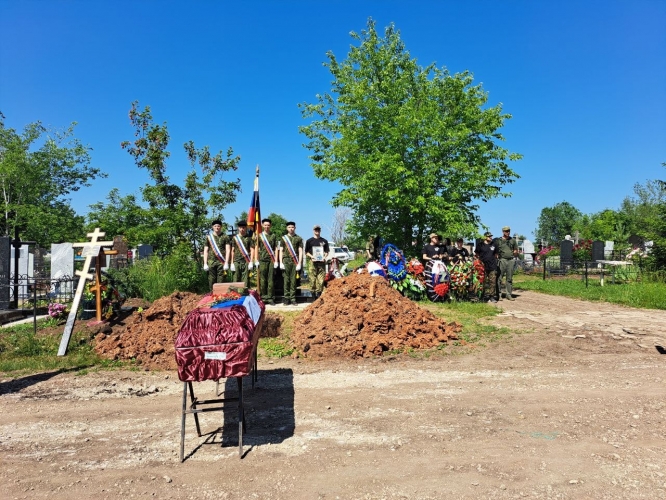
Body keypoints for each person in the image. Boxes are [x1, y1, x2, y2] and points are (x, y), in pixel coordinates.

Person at [254, 218, 278, 305]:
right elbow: (256, 247)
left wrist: (276, 260)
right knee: (263, 279)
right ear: (262, 225)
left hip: (271, 260)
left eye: (268, 225)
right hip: (262, 260)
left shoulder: (273, 236)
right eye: (265, 225)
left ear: (270, 226)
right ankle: (263, 297)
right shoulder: (259, 236)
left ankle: (270, 298)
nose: (267, 227)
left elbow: (276, 248)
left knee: (270, 279)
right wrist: (256, 259)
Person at [279, 221, 303, 305]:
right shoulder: (283, 238)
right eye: (289, 227)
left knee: (293, 281)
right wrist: (280, 262)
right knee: (286, 280)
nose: (291, 229)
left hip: (294, 262)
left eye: (292, 227)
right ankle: (286, 298)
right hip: (286, 261)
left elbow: (300, 251)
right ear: (287, 228)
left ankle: (293, 298)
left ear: (295, 228)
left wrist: (299, 263)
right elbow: (281, 250)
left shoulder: (298, 238)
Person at [202, 219, 229, 291]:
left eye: (218, 226)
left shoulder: (225, 237)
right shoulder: (208, 237)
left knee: (221, 280)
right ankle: (212, 294)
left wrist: (226, 262)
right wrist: (205, 263)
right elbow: (206, 250)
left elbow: (228, 250)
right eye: (215, 226)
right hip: (211, 262)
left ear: (221, 227)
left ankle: (220, 295)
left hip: (221, 262)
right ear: (212, 227)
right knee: (211, 280)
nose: (217, 227)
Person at [305, 224, 329, 299]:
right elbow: (306, 252)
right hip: (313, 262)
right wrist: (312, 256)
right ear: (313, 231)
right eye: (316, 230)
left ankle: (319, 296)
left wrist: (324, 257)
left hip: (321, 263)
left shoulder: (324, 241)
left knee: (321, 280)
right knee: (312, 280)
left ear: (320, 231)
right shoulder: (309, 241)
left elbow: (327, 251)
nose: (317, 231)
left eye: (318, 230)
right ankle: (313, 296)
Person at [227, 220, 254, 288]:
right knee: (236, 280)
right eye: (240, 227)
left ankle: (245, 294)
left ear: (246, 228)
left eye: (243, 227)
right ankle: (235, 294)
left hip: (246, 262)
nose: (242, 229)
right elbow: (232, 250)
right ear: (238, 228)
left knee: (246, 281)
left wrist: (251, 262)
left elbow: (252, 250)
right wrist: (232, 263)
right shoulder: (235, 238)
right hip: (236, 261)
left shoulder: (249, 238)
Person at [495, 226, 519, 300]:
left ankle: (508, 294)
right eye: (506, 231)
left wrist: (515, 253)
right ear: (503, 232)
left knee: (509, 278)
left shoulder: (512, 240)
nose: (507, 232)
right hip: (502, 260)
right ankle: (499, 294)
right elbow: (495, 250)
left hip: (510, 260)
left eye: (508, 231)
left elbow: (515, 249)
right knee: (499, 278)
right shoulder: (499, 240)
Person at [475, 231, 499, 303]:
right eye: (489, 236)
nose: (491, 237)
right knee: (482, 282)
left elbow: (496, 255)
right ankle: (482, 296)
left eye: (491, 236)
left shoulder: (494, 244)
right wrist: (479, 262)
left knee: (492, 282)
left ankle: (491, 296)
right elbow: (476, 254)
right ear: (485, 237)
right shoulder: (480, 245)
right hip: (482, 266)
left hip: (492, 266)